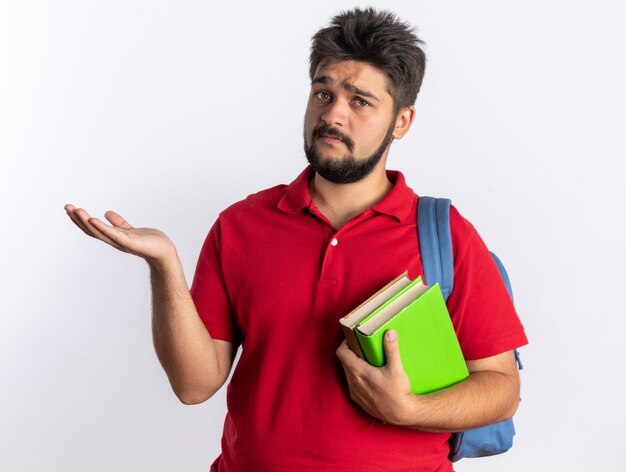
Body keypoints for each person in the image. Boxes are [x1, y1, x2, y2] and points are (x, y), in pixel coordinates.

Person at [65, 7, 528, 471]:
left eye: (360, 101)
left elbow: (501, 389)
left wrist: (409, 410)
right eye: (323, 93)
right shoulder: (242, 226)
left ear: (402, 121)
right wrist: (164, 263)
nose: (333, 114)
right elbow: (194, 385)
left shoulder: (445, 234)